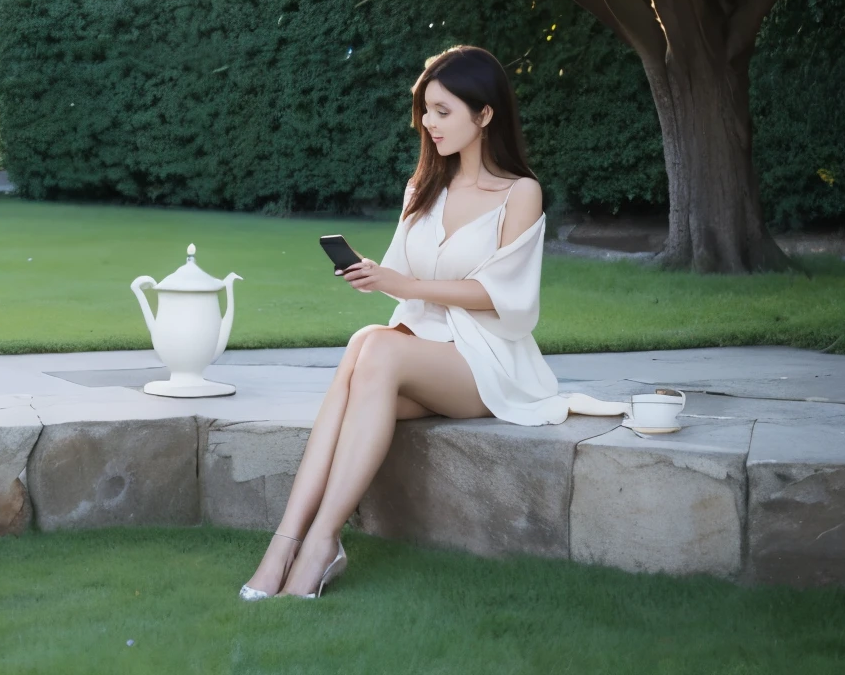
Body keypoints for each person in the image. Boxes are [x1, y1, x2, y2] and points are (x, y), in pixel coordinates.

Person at [239, 45, 628, 600]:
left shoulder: (521, 193)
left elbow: (503, 298)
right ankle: (286, 543)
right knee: (362, 370)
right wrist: (374, 274)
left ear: (485, 114)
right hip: (427, 351)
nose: (428, 122)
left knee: (373, 347)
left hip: (488, 361)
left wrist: (402, 286)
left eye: (443, 111)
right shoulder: (423, 188)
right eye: (426, 109)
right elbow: (401, 273)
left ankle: (319, 541)